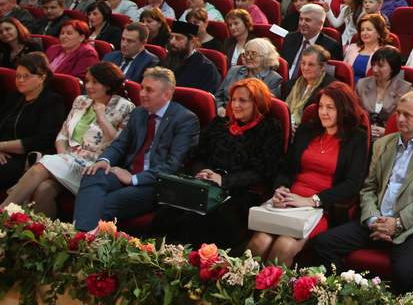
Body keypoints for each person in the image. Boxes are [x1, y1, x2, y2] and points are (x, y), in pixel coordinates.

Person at [309, 92, 413, 294]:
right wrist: (372, 219)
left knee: (404, 272)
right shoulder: (382, 144)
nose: (400, 119)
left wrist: (397, 223)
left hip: (411, 228)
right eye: (398, 113)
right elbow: (368, 187)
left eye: (408, 115)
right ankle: (348, 293)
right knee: (322, 244)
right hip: (375, 221)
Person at [247, 82, 367, 266]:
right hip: (288, 200)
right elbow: (286, 168)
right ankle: (241, 284)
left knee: (284, 246)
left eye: (330, 108)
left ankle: (269, 286)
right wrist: (281, 188)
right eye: (321, 106)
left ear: (344, 110)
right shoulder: (306, 130)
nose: (323, 112)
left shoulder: (357, 138)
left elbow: (352, 184)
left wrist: (313, 200)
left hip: (319, 207)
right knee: (259, 242)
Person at [155, 78, 283, 248]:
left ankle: (184, 261)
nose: (236, 105)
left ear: (257, 103)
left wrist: (223, 180)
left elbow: (263, 171)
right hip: (205, 183)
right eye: (233, 99)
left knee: (193, 221)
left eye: (243, 100)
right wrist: (203, 171)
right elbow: (198, 155)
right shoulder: (220, 124)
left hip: (240, 192)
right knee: (167, 211)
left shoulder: (269, 129)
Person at [72, 67, 200, 231]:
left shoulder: (185, 120)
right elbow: (120, 144)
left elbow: (173, 166)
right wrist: (104, 160)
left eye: (149, 90)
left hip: (156, 184)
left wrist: (134, 179)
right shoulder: (139, 113)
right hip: (127, 173)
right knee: (93, 174)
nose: (142, 94)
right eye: (141, 88)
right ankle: (82, 236)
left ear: (166, 94)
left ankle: (80, 237)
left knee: (104, 203)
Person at [1, 62, 134, 216]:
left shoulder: (125, 107)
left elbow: (119, 144)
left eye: (95, 82)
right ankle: (37, 230)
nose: (88, 86)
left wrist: (101, 117)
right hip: (67, 158)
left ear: (108, 84)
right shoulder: (81, 101)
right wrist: (63, 157)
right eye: (87, 81)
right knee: (44, 189)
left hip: (93, 166)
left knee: (40, 167)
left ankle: (3, 213)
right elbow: (62, 135)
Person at [0, 53, 67, 190]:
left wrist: (3, 146)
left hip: (25, 159)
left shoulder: (52, 101)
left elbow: (43, 139)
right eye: (18, 76)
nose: (20, 80)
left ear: (42, 77)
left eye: (26, 76)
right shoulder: (14, 96)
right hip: (3, 153)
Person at [356, 46, 413, 139]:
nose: (374, 69)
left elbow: (409, 120)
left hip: (392, 138)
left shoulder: (406, 90)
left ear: (393, 68)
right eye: (373, 65)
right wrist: (366, 128)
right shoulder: (361, 84)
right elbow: (354, 113)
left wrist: (388, 131)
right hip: (363, 135)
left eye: (380, 66)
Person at [216, 37, 283, 112]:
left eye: (253, 54)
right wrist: (220, 108)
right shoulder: (234, 71)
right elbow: (218, 96)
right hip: (225, 114)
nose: (248, 57)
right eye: (247, 53)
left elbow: (266, 108)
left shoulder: (274, 79)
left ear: (265, 57)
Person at [280, 3, 343, 79]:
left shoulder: (331, 47)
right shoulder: (290, 38)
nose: (302, 23)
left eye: (307, 20)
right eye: (301, 19)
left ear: (320, 24)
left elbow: (327, 77)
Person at [163, 20, 222, 92]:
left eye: (178, 38)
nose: (172, 42)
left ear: (192, 41)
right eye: (171, 37)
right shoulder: (167, 60)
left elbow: (206, 97)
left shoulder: (207, 68)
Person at [344, 13, 392, 82]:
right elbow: (343, 73)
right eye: (362, 30)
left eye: (369, 30)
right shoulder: (351, 48)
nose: (364, 33)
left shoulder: (387, 52)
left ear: (379, 33)